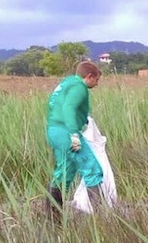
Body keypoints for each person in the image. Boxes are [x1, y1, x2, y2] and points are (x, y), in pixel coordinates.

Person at [45, 60, 104, 221]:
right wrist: (73, 134)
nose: (97, 84)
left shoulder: (66, 83)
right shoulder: (79, 87)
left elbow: (57, 107)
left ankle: (53, 218)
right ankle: (102, 219)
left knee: (65, 171)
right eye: (96, 80)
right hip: (66, 132)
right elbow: (69, 107)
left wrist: (82, 121)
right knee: (92, 168)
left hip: (54, 130)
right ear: (89, 76)